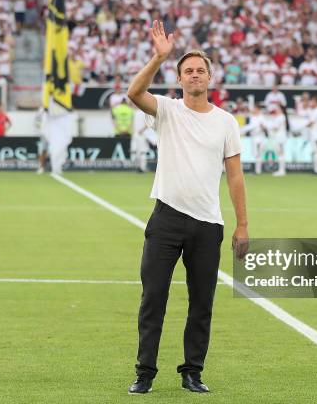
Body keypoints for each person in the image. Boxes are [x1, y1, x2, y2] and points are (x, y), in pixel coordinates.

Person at [126, 21, 248, 395]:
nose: (194, 75)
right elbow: (134, 92)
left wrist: (242, 225)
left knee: (202, 303)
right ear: (179, 79)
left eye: (200, 70)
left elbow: (235, 177)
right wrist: (158, 57)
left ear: (210, 77)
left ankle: (192, 372)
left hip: (208, 225)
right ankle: (144, 373)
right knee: (153, 299)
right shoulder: (166, 110)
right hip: (166, 219)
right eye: (187, 71)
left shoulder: (226, 122)